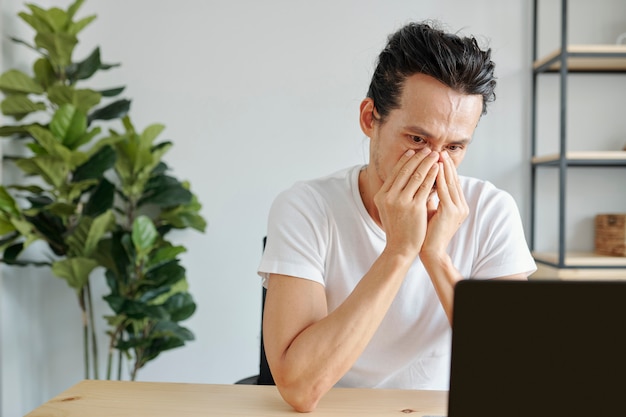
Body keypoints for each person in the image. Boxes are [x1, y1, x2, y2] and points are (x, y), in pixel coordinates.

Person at [257, 21, 536, 412]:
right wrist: (399, 252)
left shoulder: (492, 211)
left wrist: (436, 256)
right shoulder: (306, 207)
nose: (435, 163)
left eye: (454, 146)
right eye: (417, 140)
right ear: (370, 118)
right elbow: (300, 389)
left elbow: (519, 374)